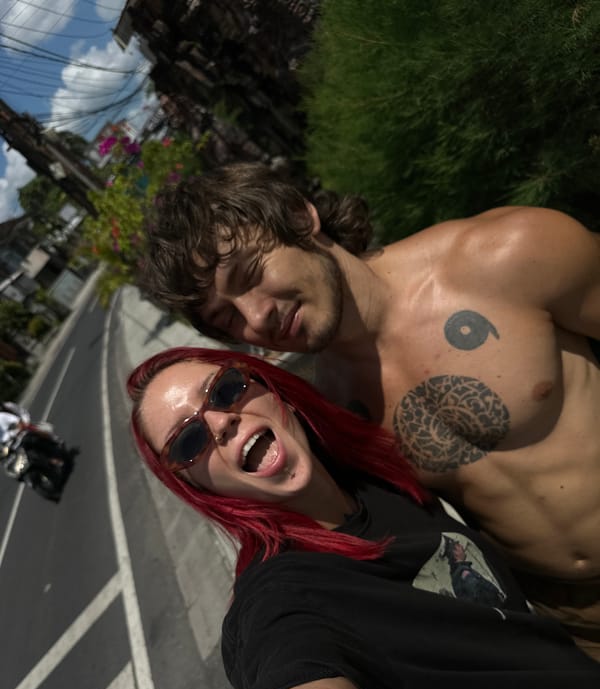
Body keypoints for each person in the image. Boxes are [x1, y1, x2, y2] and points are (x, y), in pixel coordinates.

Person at [137, 162, 600, 659]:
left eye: (251, 274)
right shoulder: (329, 409)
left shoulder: (506, 257)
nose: (256, 316)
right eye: (227, 317)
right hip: (567, 619)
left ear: (300, 217)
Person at [128, 345, 600, 689]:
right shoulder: (281, 601)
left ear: (267, 386)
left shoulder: (372, 476)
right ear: (196, 486)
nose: (221, 421)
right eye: (189, 441)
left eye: (225, 389)